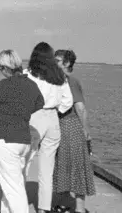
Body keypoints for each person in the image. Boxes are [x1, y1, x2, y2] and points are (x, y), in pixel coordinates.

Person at [0, 49, 44, 213]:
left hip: (4, 139)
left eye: (1, 67)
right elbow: (39, 103)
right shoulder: (31, 85)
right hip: (22, 138)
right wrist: (20, 111)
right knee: (12, 185)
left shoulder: (4, 86)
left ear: (5, 68)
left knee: (13, 188)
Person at [24, 42, 73, 213]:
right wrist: (57, 110)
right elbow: (68, 101)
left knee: (25, 162)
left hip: (33, 116)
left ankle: (18, 203)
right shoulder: (59, 76)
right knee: (47, 169)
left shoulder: (28, 75)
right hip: (52, 118)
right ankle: (44, 208)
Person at [52, 49, 95, 213]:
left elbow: (80, 107)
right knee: (71, 165)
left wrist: (85, 130)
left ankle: (74, 206)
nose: (54, 63)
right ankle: (72, 205)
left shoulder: (69, 81)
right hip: (66, 126)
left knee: (69, 165)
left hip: (68, 126)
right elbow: (81, 108)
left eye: (57, 61)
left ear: (67, 63)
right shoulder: (63, 81)